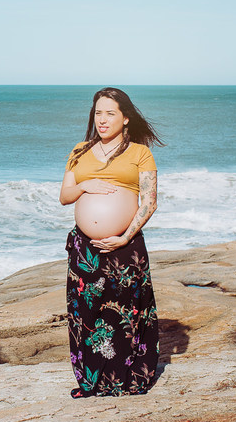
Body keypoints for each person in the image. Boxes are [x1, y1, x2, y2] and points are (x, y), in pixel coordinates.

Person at [59, 87, 163, 398]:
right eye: (98, 113)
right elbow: (65, 196)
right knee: (86, 314)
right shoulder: (79, 151)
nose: (102, 120)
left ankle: (128, 380)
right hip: (84, 248)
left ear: (126, 118)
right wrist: (86, 184)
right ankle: (92, 381)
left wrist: (125, 236)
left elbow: (150, 202)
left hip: (125, 247)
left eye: (110, 113)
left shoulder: (140, 153)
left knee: (126, 312)